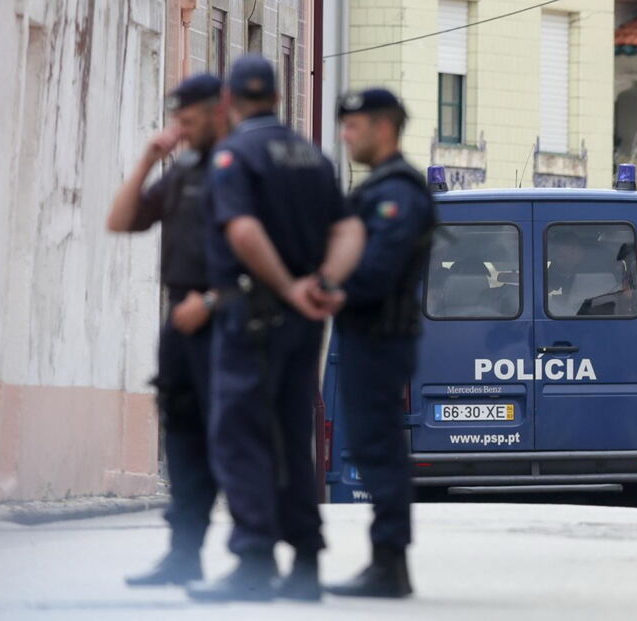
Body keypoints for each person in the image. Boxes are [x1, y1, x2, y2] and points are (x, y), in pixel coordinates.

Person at [185, 55, 364, 603]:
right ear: (280, 98)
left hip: (254, 315)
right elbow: (349, 228)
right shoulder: (311, 155)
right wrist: (322, 284)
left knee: (241, 437)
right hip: (304, 322)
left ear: (228, 102)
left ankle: (255, 560)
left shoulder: (234, 155)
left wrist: (286, 286)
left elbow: (241, 230)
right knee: (292, 435)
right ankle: (306, 562)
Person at [107, 74, 226, 586]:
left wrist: (214, 299)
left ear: (218, 110)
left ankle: (257, 556)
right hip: (179, 317)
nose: (181, 127)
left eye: (189, 118)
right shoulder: (185, 170)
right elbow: (122, 220)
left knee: (227, 439)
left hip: (228, 317)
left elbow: (277, 253)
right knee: (181, 436)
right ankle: (184, 553)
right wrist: (148, 159)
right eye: (177, 119)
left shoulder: (242, 166)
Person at [319, 89, 437, 599]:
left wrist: (331, 289)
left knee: (379, 447)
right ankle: (388, 562)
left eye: (354, 126)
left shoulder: (398, 194)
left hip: (380, 334)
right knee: (371, 446)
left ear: (383, 127)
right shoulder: (378, 190)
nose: (346, 136)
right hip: (367, 333)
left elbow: (379, 271)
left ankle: (389, 563)